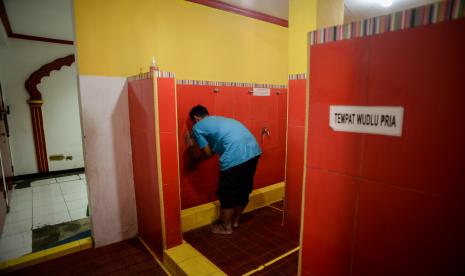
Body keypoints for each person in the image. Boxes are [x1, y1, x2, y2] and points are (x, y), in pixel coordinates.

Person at [185, 105, 261, 234]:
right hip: (254, 151)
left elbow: (207, 153)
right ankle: (235, 221)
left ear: (196, 118)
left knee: (226, 192)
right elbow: (217, 146)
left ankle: (226, 227)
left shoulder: (197, 127)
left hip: (235, 155)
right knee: (243, 189)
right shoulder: (220, 120)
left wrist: (194, 157)